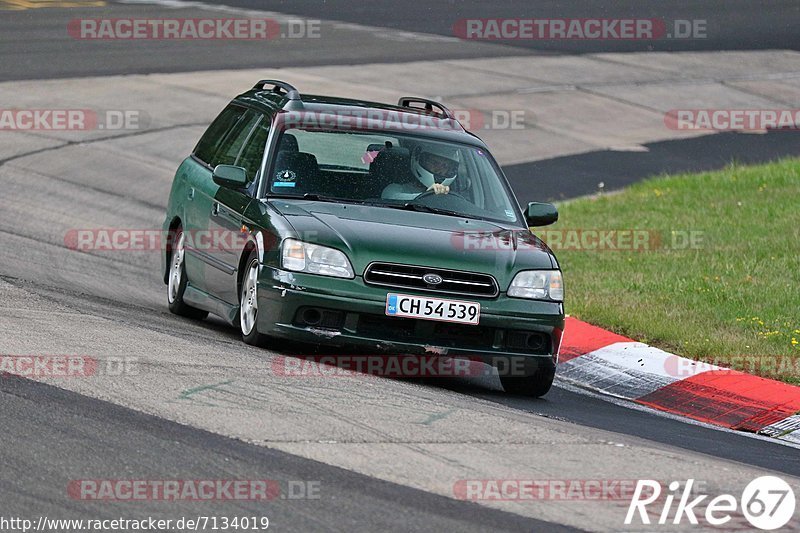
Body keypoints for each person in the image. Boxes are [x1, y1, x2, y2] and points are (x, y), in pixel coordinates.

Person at [381, 142, 461, 201]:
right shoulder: (395, 189)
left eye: (445, 166)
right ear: (418, 159)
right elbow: (390, 197)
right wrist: (428, 195)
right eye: (434, 163)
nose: (439, 169)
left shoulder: (453, 197)